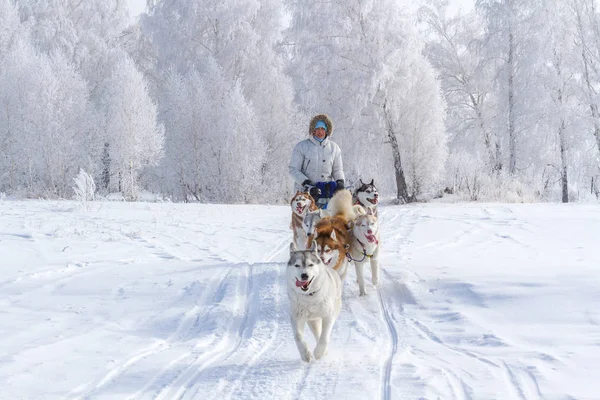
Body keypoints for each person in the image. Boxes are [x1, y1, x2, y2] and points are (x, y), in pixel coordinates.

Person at [289, 114, 345, 208]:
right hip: (305, 194)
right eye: (317, 128)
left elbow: (337, 169)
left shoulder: (334, 148)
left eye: (322, 129)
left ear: (327, 130)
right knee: (306, 222)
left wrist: (340, 182)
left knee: (326, 221)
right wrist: (307, 183)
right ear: (313, 130)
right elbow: (293, 169)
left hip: (327, 194)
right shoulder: (302, 146)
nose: (320, 132)